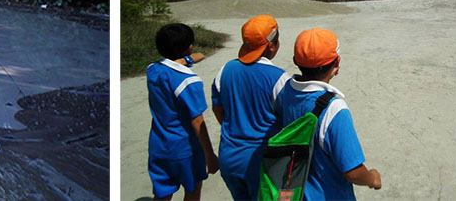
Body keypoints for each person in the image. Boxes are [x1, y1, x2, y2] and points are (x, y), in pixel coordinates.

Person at [274, 28, 382, 200]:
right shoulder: (334, 109)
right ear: (336, 63)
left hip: (297, 192)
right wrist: (372, 178)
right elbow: (353, 172)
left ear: (296, 61)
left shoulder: (286, 90)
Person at [210, 15, 290, 200]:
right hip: (262, 161)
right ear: (272, 45)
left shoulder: (225, 70)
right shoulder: (279, 78)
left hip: (229, 158)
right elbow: (288, 120)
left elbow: (218, 109)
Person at [146, 23, 219, 201]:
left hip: (159, 146)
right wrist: (210, 155)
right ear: (190, 46)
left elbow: (188, 59)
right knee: (193, 188)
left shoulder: (152, 70)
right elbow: (197, 121)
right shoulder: (189, 81)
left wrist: (188, 59)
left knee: (162, 193)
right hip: (185, 149)